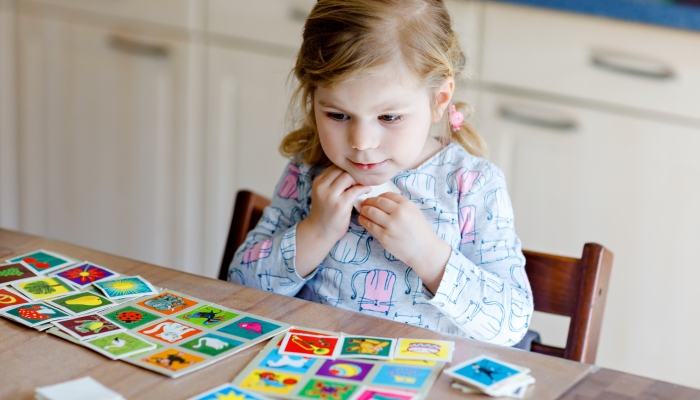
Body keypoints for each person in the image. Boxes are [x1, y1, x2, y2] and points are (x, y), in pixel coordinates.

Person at [228, 0, 533, 346]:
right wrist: (317, 229)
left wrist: (427, 253)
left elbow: (512, 323)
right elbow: (241, 287)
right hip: (312, 372)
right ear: (313, 99)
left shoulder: (471, 184)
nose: (361, 142)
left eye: (389, 117)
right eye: (338, 115)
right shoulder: (309, 168)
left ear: (439, 99)